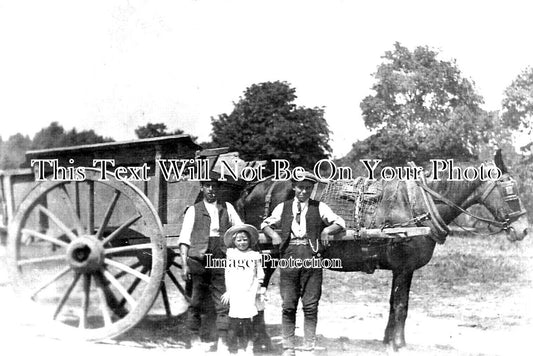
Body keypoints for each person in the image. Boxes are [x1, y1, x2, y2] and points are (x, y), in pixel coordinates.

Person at [261, 172, 345, 356]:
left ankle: (309, 347)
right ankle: (288, 348)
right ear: (294, 187)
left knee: (310, 305)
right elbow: (265, 224)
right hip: (289, 257)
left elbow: (340, 222)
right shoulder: (283, 207)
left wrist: (327, 230)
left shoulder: (319, 207)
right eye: (300, 187)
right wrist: (274, 235)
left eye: (308, 188)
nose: (304, 191)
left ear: (312, 189)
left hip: (312, 257)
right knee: (288, 305)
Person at [179, 177, 243, 353]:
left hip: (220, 258)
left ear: (219, 188)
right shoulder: (193, 210)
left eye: (214, 186)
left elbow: (240, 229)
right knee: (195, 300)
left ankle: (222, 341)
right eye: (207, 186)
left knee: (223, 300)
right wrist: (184, 264)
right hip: (198, 259)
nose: (211, 190)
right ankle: (194, 339)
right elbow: (184, 238)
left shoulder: (227, 208)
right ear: (202, 188)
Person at [221, 224, 265, 355]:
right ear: (234, 241)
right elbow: (228, 274)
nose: (242, 243)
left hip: (249, 291)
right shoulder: (231, 255)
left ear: (250, 240)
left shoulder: (254, 255)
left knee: (248, 320)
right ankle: (235, 348)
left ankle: (249, 346)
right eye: (239, 240)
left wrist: (258, 289)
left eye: (245, 240)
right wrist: (229, 291)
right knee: (235, 321)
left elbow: (259, 274)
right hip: (236, 291)